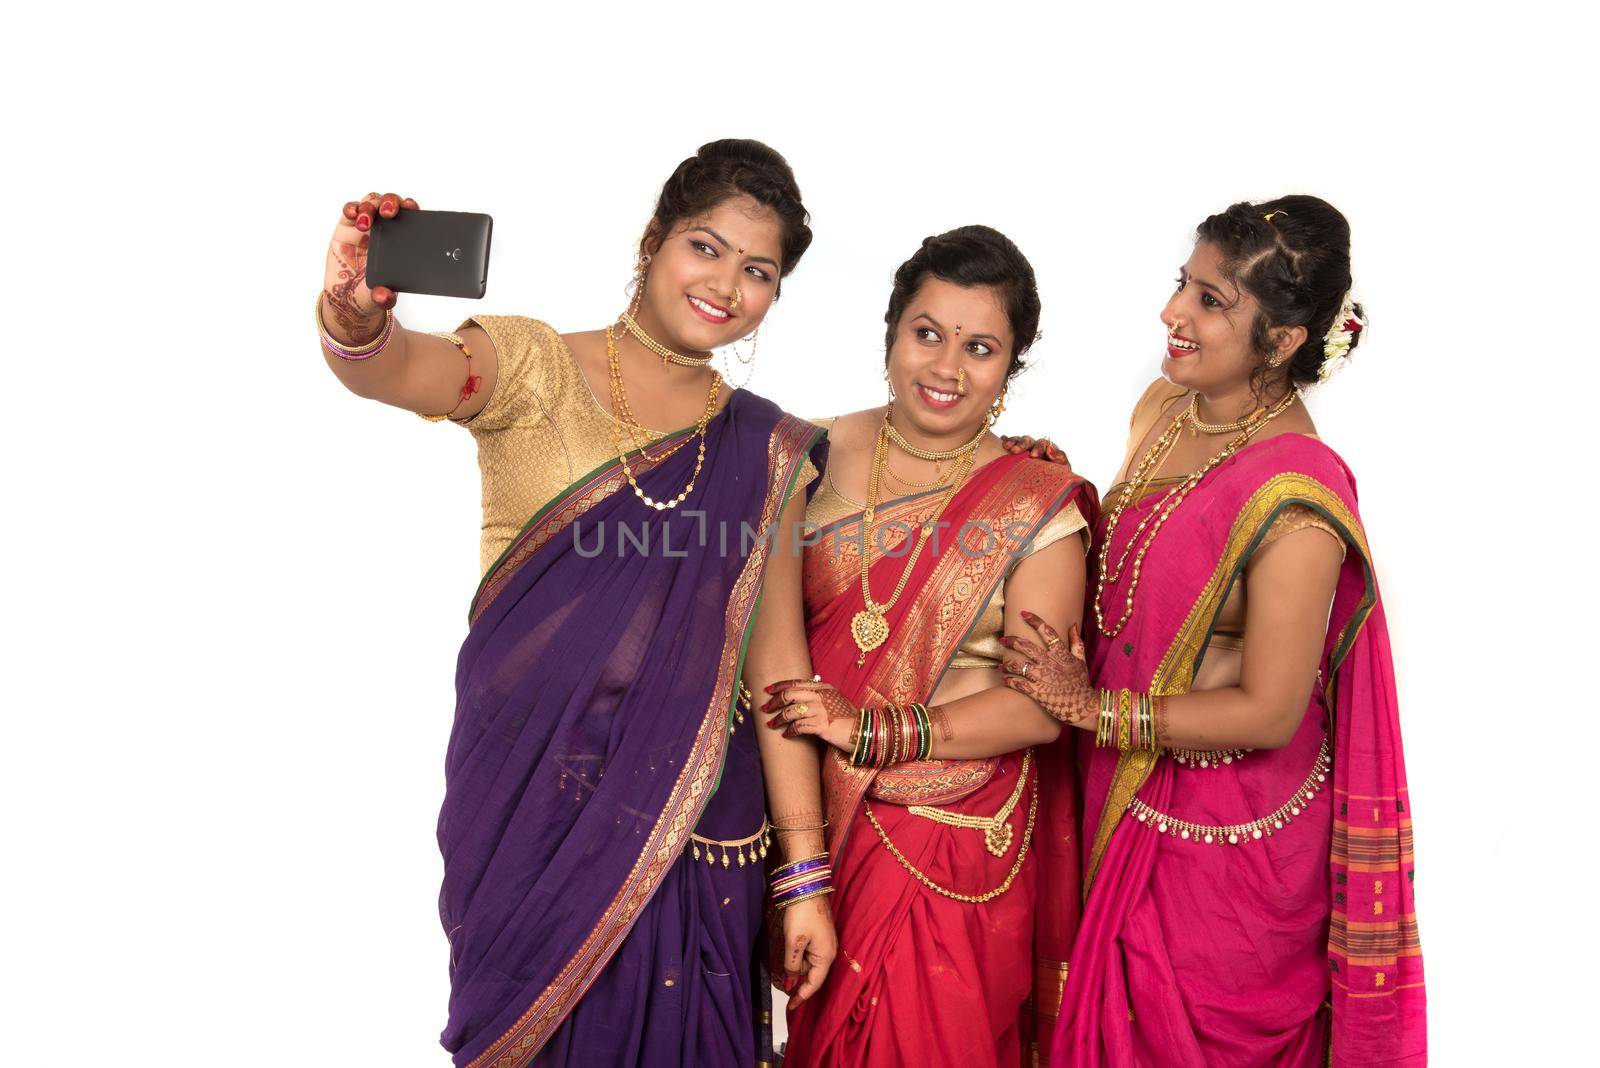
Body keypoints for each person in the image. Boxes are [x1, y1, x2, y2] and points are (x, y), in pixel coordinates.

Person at [314, 139, 836, 1068]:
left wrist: (804, 875)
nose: (725, 284)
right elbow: (395, 368)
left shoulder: (767, 454)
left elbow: (781, 667)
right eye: (705, 247)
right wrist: (355, 316)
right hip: (528, 816)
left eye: (758, 272)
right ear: (653, 240)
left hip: (696, 828)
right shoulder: (529, 366)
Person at [1003, 196, 1426, 1066]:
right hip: (1127, 800)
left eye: (1211, 301)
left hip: (1222, 853)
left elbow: (1270, 709)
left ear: (1283, 341)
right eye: (1182, 285)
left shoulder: (1298, 497)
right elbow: (1139, 561)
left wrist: (1096, 711)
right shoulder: (1164, 405)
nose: (1174, 314)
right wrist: (1048, 488)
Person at [763, 226, 1096, 1067]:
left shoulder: (1037, 503)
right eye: (928, 333)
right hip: (817, 822)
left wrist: (877, 732)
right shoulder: (799, 455)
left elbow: (1040, 708)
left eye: (980, 348)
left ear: (1011, 367)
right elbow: (755, 643)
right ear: (891, 333)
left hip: (953, 843)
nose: (947, 368)